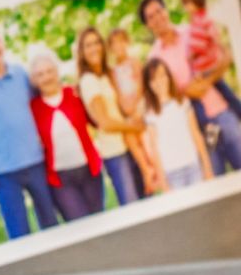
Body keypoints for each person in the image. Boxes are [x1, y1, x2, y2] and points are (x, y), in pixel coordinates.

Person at [0, 22, 59, 240]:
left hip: (36, 163)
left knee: (51, 225)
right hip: (3, 173)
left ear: (3, 45)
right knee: (19, 235)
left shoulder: (21, 74)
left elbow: (44, 102)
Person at [140, 0, 241, 175]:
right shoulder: (154, 58)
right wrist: (191, 89)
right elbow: (169, 95)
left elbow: (224, 58)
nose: (157, 18)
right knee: (216, 181)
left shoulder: (192, 32)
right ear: (147, 24)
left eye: (158, 11)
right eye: (150, 17)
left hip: (222, 112)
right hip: (197, 128)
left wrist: (205, 82)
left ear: (166, 11)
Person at [76, 27, 153, 201]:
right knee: (132, 206)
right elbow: (105, 123)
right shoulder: (89, 81)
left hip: (130, 147)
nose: (94, 48)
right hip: (116, 154)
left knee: (148, 201)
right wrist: (135, 126)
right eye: (88, 45)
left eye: (97, 42)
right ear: (82, 52)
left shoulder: (107, 74)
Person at [28, 50, 105, 221]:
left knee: (100, 221)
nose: (47, 77)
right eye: (40, 74)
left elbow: (96, 120)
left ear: (57, 72)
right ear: (34, 80)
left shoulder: (74, 94)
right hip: (61, 180)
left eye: (50, 71)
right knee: (78, 224)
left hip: (89, 171)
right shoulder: (33, 108)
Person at [142, 57, 213, 190]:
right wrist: (164, 183)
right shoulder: (151, 115)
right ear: (148, 84)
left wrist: (207, 168)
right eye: (153, 79)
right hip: (172, 174)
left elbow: (196, 135)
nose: (159, 81)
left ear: (169, 77)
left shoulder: (182, 103)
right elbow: (155, 150)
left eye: (162, 75)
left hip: (193, 166)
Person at [180, 0, 241, 124]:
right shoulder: (198, 19)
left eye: (187, 3)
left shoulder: (202, 20)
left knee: (224, 93)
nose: (186, 8)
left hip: (207, 67)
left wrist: (192, 55)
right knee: (216, 94)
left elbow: (203, 42)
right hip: (204, 67)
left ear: (195, 1)